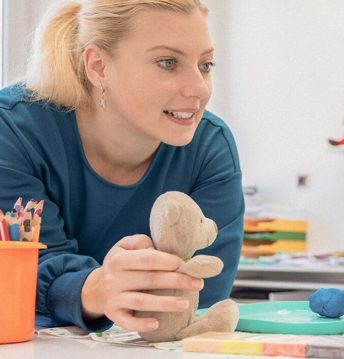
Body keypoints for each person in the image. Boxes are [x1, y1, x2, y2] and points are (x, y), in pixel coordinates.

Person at [0, 0, 244, 334]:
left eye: (206, 64)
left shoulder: (210, 147)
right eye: (168, 62)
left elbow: (198, 301)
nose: (200, 89)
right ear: (98, 66)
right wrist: (93, 289)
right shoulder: (13, 131)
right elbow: (23, 279)